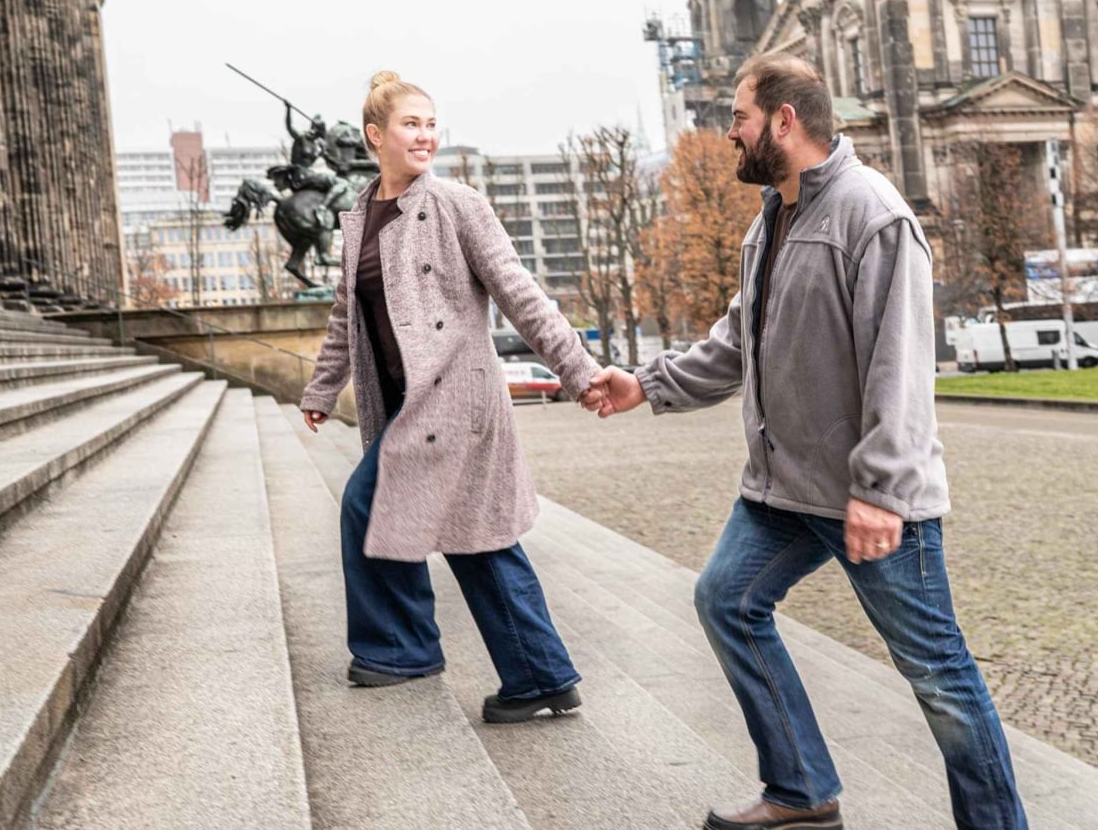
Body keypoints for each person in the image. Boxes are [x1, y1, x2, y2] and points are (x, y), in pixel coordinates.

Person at [589, 52, 1028, 830]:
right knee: (727, 600)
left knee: (940, 676)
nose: (730, 133)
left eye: (739, 117)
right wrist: (646, 383)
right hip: (783, 490)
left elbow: (900, 366)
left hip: (867, 496)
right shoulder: (772, 217)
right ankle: (801, 789)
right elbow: (739, 341)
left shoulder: (873, 215)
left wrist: (881, 491)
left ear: (783, 120)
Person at [299, 71, 600, 723]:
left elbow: (521, 295)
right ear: (375, 135)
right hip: (403, 403)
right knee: (473, 536)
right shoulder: (360, 216)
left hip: (456, 400)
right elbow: (345, 317)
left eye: (431, 124)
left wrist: (579, 372)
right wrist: (323, 387)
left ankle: (403, 648)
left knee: (373, 504)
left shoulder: (457, 204)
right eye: (411, 124)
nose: (425, 135)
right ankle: (538, 674)